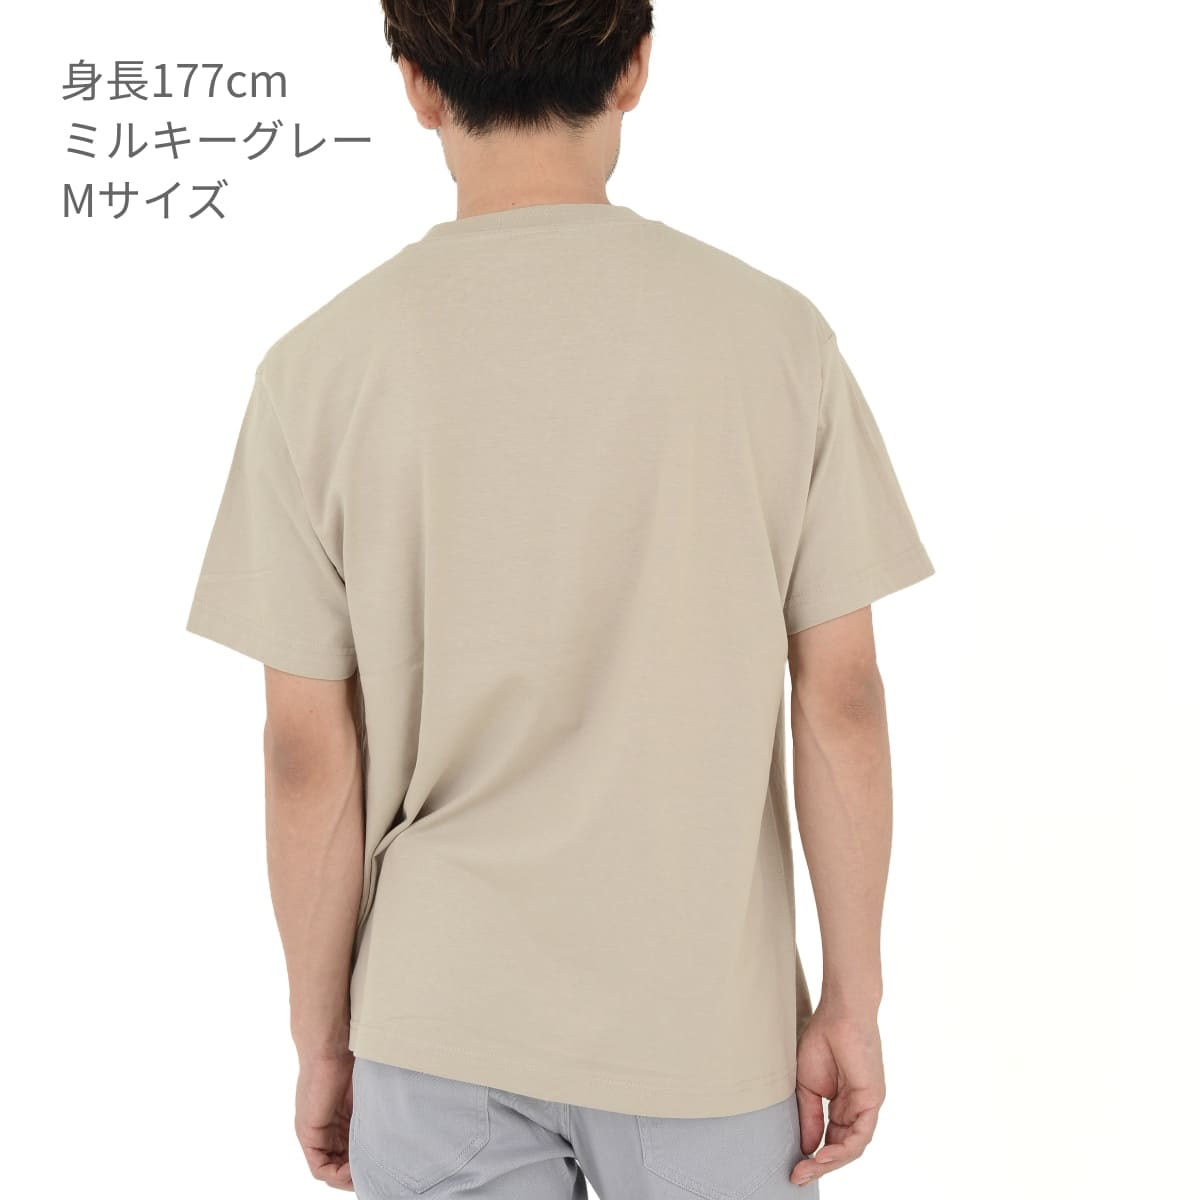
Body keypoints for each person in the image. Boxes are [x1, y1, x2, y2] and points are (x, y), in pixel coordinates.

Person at [185, 2, 936, 1196]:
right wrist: (854, 999)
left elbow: (305, 756)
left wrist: (322, 1037)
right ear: (635, 67)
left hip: (438, 1012)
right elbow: (841, 699)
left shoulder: (318, 369)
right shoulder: (774, 338)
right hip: (704, 1021)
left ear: (416, 84)